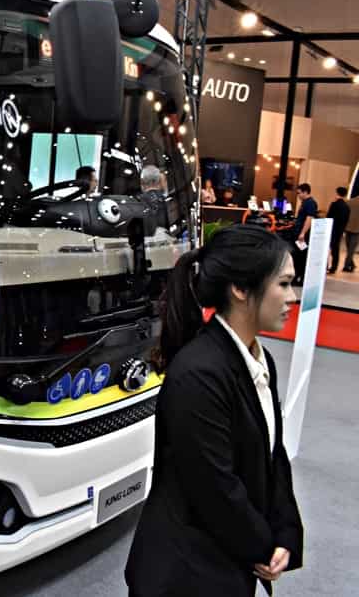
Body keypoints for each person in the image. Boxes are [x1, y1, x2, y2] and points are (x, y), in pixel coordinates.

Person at [126, 224, 304, 597]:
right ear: (240, 289)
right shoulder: (199, 372)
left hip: (227, 554)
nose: (292, 297)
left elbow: (272, 454)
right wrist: (262, 546)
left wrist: (285, 531)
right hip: (186, 571)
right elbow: (214, 486)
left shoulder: (260, 360)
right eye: (284, 284)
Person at [290, 183, 318, 286]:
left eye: (299, 193)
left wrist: (302, 233)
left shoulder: (311, 203)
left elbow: (309, 219)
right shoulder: (305, 203)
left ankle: (301, 278)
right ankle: (297, 276)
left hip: (303, 236)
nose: (298, 195)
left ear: (305, 192)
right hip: (298, 233)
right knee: (298, 256)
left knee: (301, 257)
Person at [326, 186, 351, 274]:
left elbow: (328, 217)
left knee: (326, 248)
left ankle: (325, 265)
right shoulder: (346, 207)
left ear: (337, 193)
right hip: (339, 230)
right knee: (335, 249)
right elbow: (346, 219)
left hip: (331, 229)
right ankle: (334, 267)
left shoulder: (334, 204)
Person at [344, 191, 359, 273]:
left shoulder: (349, 202)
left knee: (349, 247)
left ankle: (351, 264)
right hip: (357, 229)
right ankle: (346, 266)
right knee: (351, 249)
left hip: (348, 227)